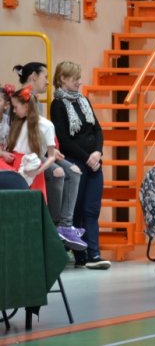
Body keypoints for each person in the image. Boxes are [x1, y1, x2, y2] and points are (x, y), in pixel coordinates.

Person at [13, 62, 83, 243]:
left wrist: (52, 149)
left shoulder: (36, 102)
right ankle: (53, 223)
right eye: (45, 77)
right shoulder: (20, 102)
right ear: (34, 76)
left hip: (42, 151)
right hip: (30, 155)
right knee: (58, 172)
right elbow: (23, 138)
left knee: (74, 171)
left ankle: (65, 225)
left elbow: (41, 133)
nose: (47, 82)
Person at [51, 61, 110, 269]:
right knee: (76, 209)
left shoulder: (84, 100)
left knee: (92, 209)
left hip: (93, 162)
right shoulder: (58, 105)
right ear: (62, 79)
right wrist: (87, 158)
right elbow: (64, 140)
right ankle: (80, 253)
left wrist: (97, 152)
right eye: (75, 78)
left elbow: (97, 130)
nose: (79, 82)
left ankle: (94, 253)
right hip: (76, 162)